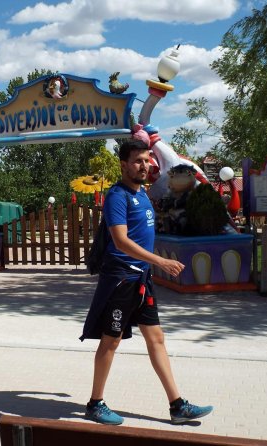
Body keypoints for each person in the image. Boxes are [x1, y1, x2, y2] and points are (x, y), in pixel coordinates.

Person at [80, 139, 213, 425]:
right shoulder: (118, 196)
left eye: (147, 160)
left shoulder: (142, 195)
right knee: (110, 341)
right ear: (124, 165)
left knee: (156, 338)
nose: (145, 165)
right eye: (138, 161)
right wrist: (160, 261)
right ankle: (95, 403)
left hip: (141, 279)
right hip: (122, 279)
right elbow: (121, 240)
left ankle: (177, 405)